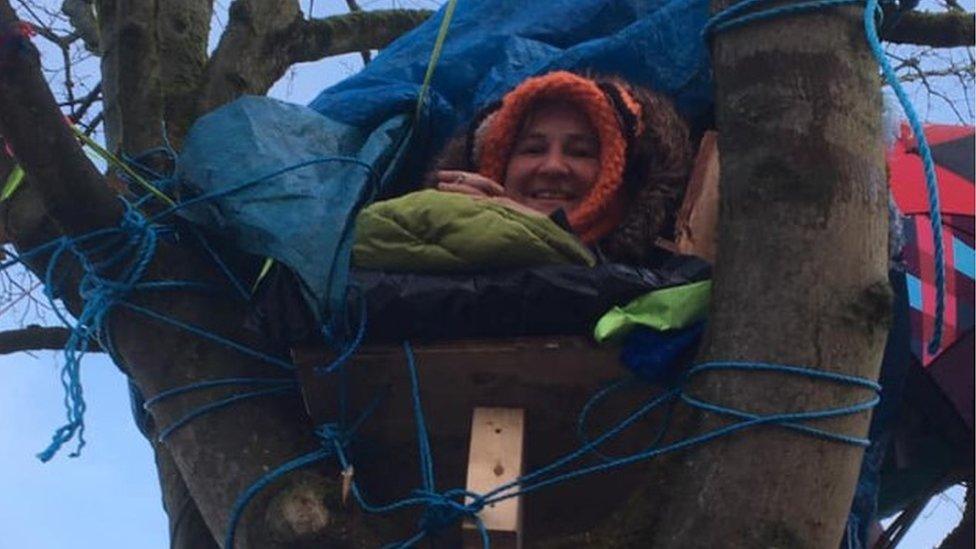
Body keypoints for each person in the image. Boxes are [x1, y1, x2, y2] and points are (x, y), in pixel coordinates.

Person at [429, 70, 694, 264]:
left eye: (581, 152)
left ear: (623, 175)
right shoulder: (426, 260)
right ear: (494, 168)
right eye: (533, 149)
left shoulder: (666, 278)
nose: (553, 167)